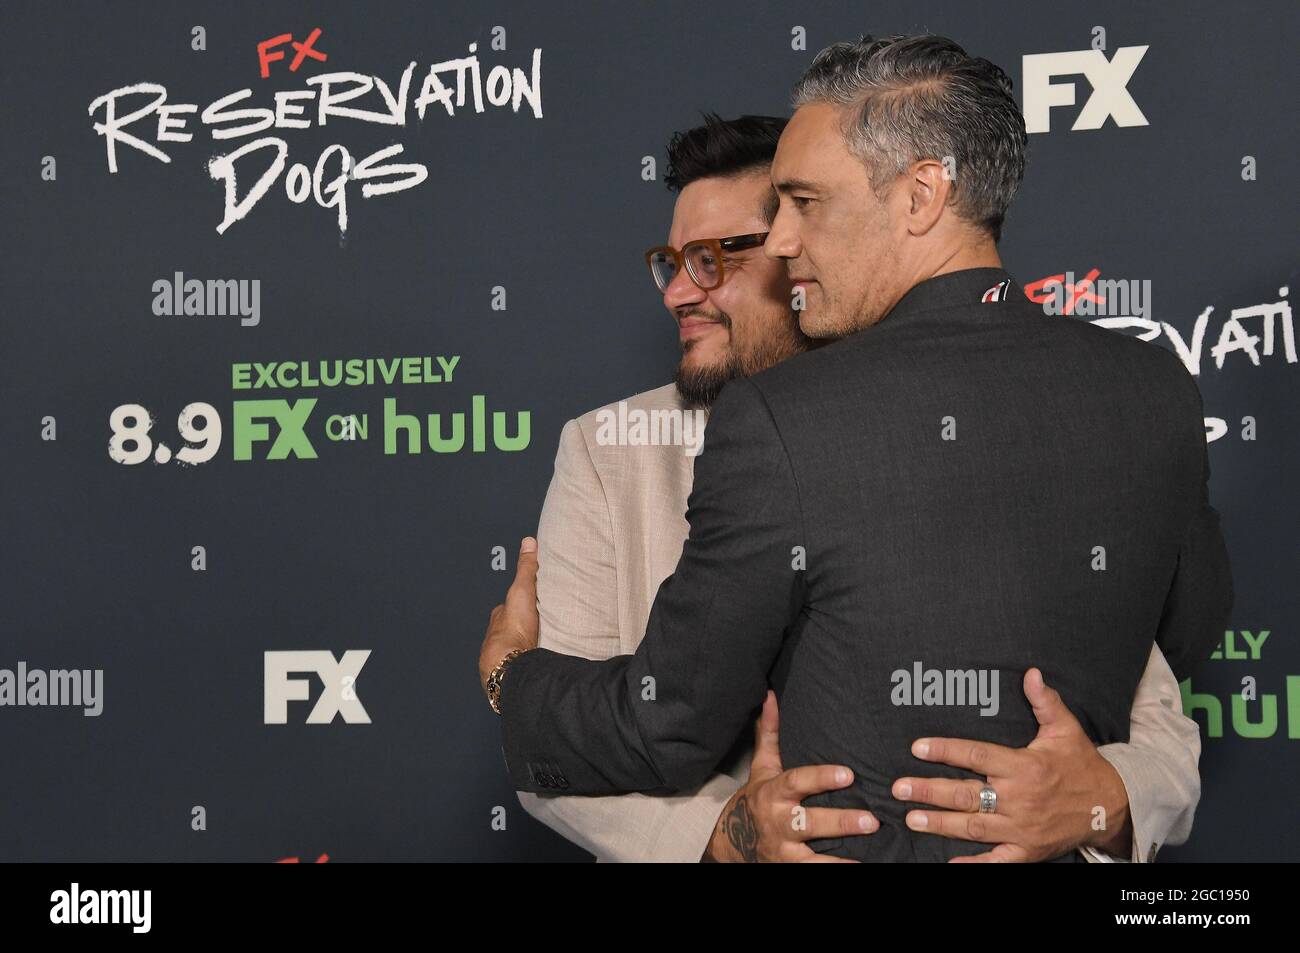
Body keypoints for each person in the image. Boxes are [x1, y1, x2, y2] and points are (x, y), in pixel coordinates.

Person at [480, 35, 1232, 862]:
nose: (780, 243)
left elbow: (1155, 680)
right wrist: (727, 837)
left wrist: (1101, 800)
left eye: (801, 206)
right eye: (671, 260)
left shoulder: (792, 415)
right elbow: (1191, 622)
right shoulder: (1152, 381)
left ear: (917, 197)